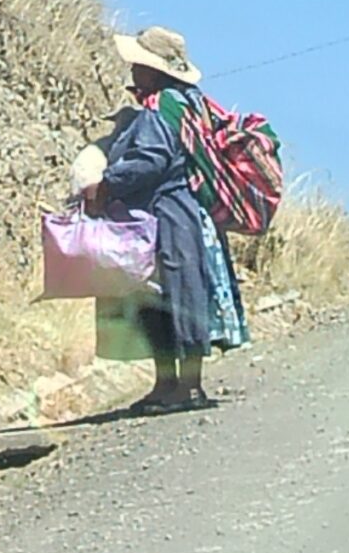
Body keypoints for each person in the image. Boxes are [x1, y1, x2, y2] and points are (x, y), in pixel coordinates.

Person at [90, 24, 247, 413]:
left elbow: (152, 160)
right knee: (183, 292)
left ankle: (182, 387)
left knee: (168, 294)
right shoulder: (191, 103)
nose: (132, 72)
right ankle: (174, 385)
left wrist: (107, 183)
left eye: (138, 66)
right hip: (193, 213)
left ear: (154, 70)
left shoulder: (158, 110)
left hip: (167, 214)